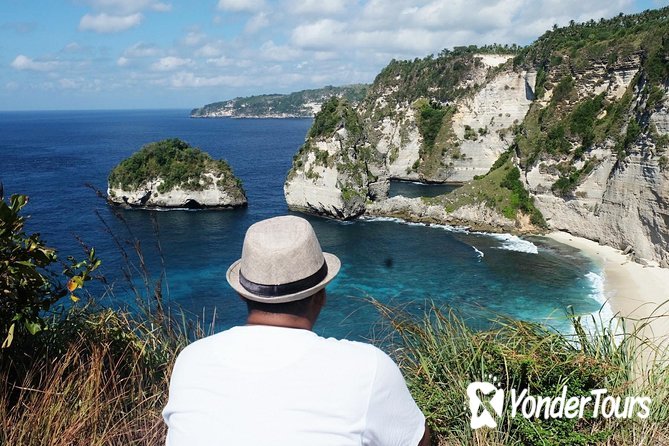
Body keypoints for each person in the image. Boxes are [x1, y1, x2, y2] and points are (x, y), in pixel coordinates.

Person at [162, 215, 430, 446]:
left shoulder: (191, 360)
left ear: (242, 294)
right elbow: (418, 441)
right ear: (321, 295)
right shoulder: (368, 367)